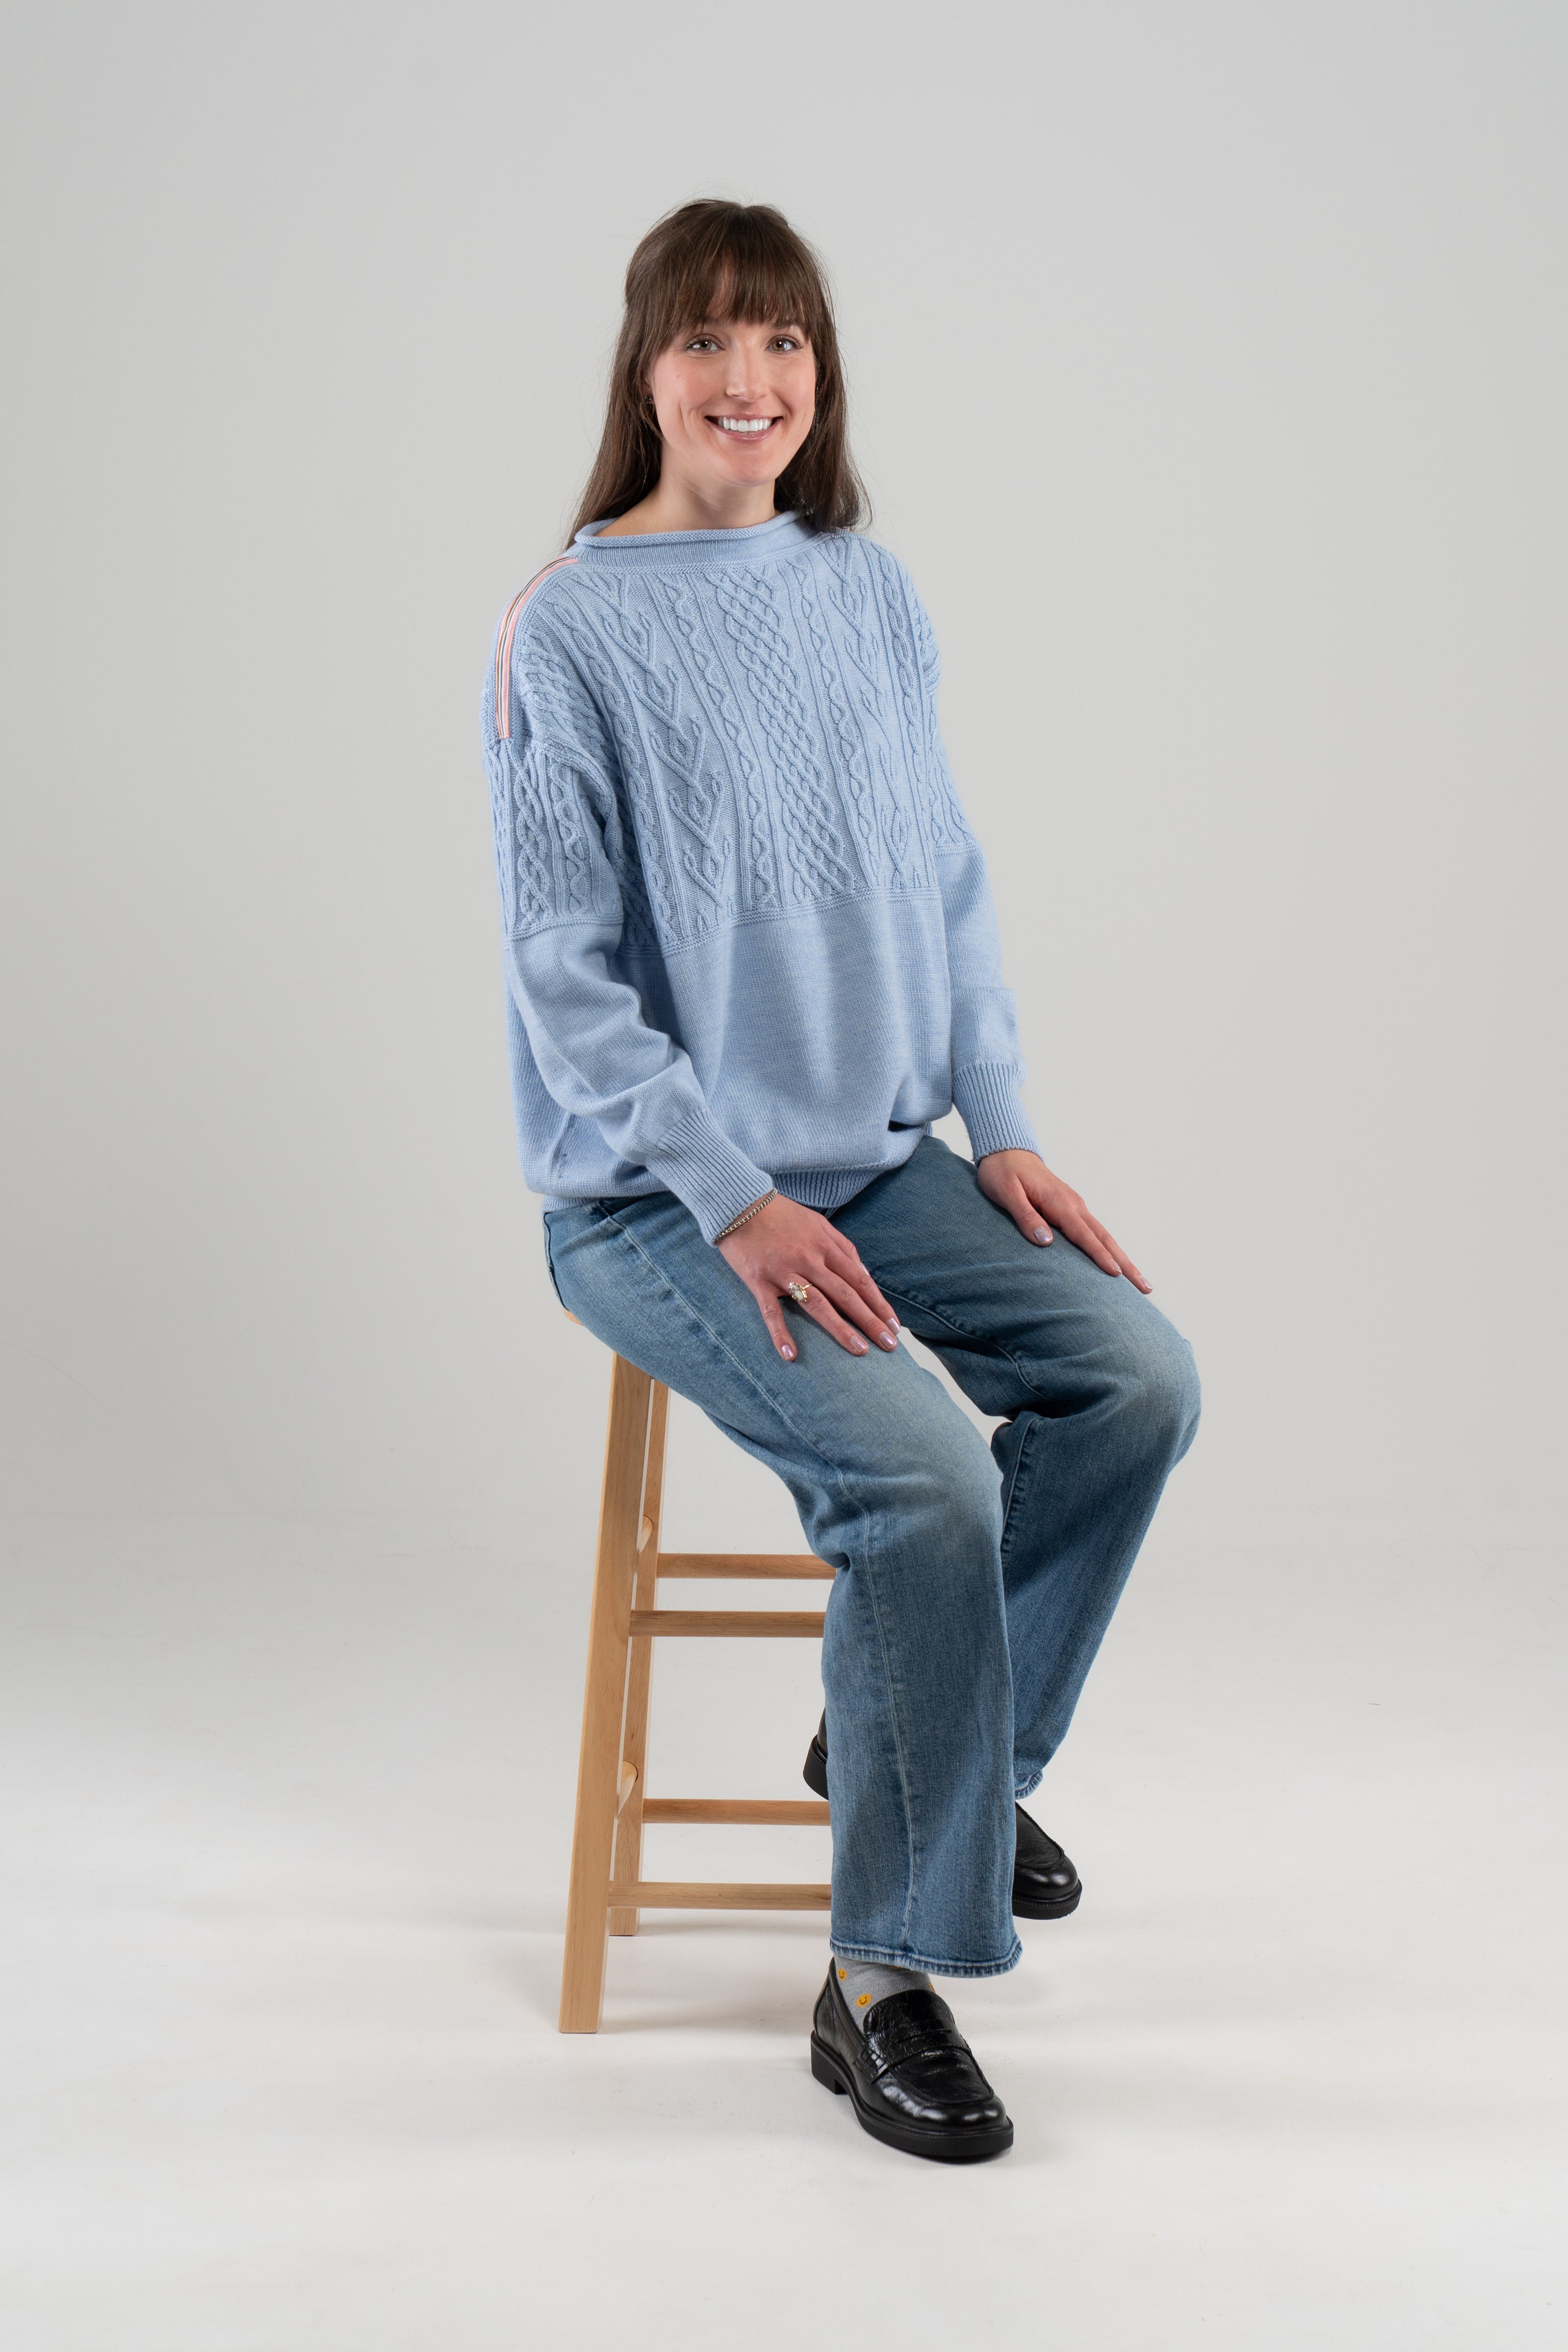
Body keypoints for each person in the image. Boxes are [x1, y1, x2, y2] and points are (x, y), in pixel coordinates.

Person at [481, 198, 1200, 2163]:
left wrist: (1002, 1121)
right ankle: (879, 1979)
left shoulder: (865, 591)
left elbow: (946, 882)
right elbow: (565, 984)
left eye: (784, 340)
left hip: (881, 1163)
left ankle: (937, 1757)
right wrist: (731, 1197)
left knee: (1136, 1379)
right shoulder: (571, 626)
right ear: (645, 372)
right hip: (658, 1201)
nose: (751, 380)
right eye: (709, 340)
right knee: (926, 1483)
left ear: (821, 371)